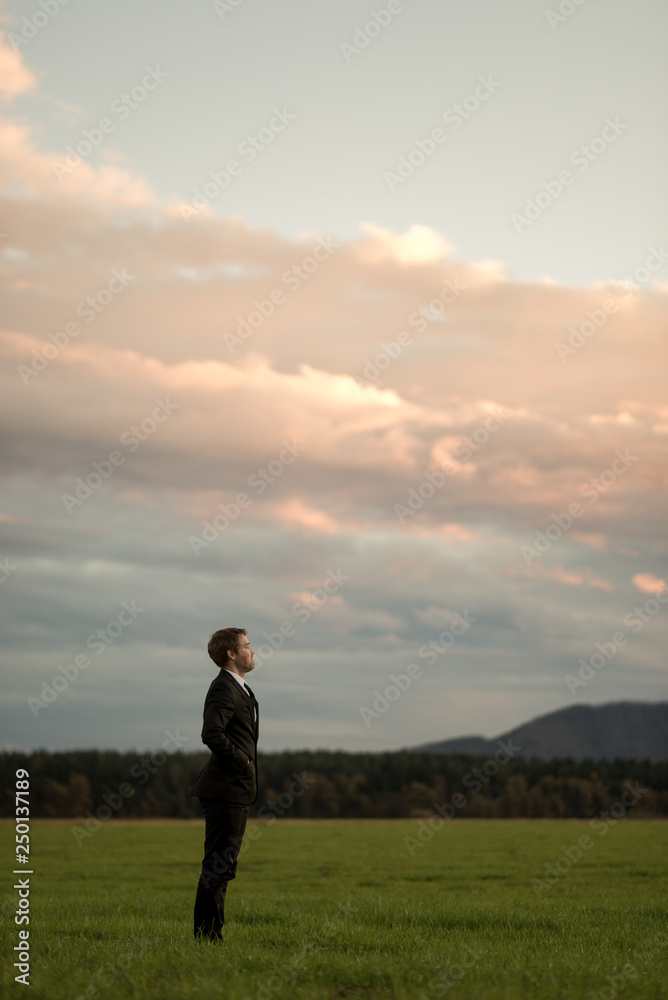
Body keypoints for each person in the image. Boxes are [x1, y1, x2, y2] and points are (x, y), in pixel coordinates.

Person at [191, 627, 259, 942]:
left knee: (224, 867)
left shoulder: (240, 688)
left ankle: (211, 937)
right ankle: (207, 939)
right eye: (247, 646)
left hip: (235, 790)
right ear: (231, 654)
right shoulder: (223, 688)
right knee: (218, 867)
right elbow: (211, 733)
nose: (253, 650)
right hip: (224, 790)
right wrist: (242, 761)